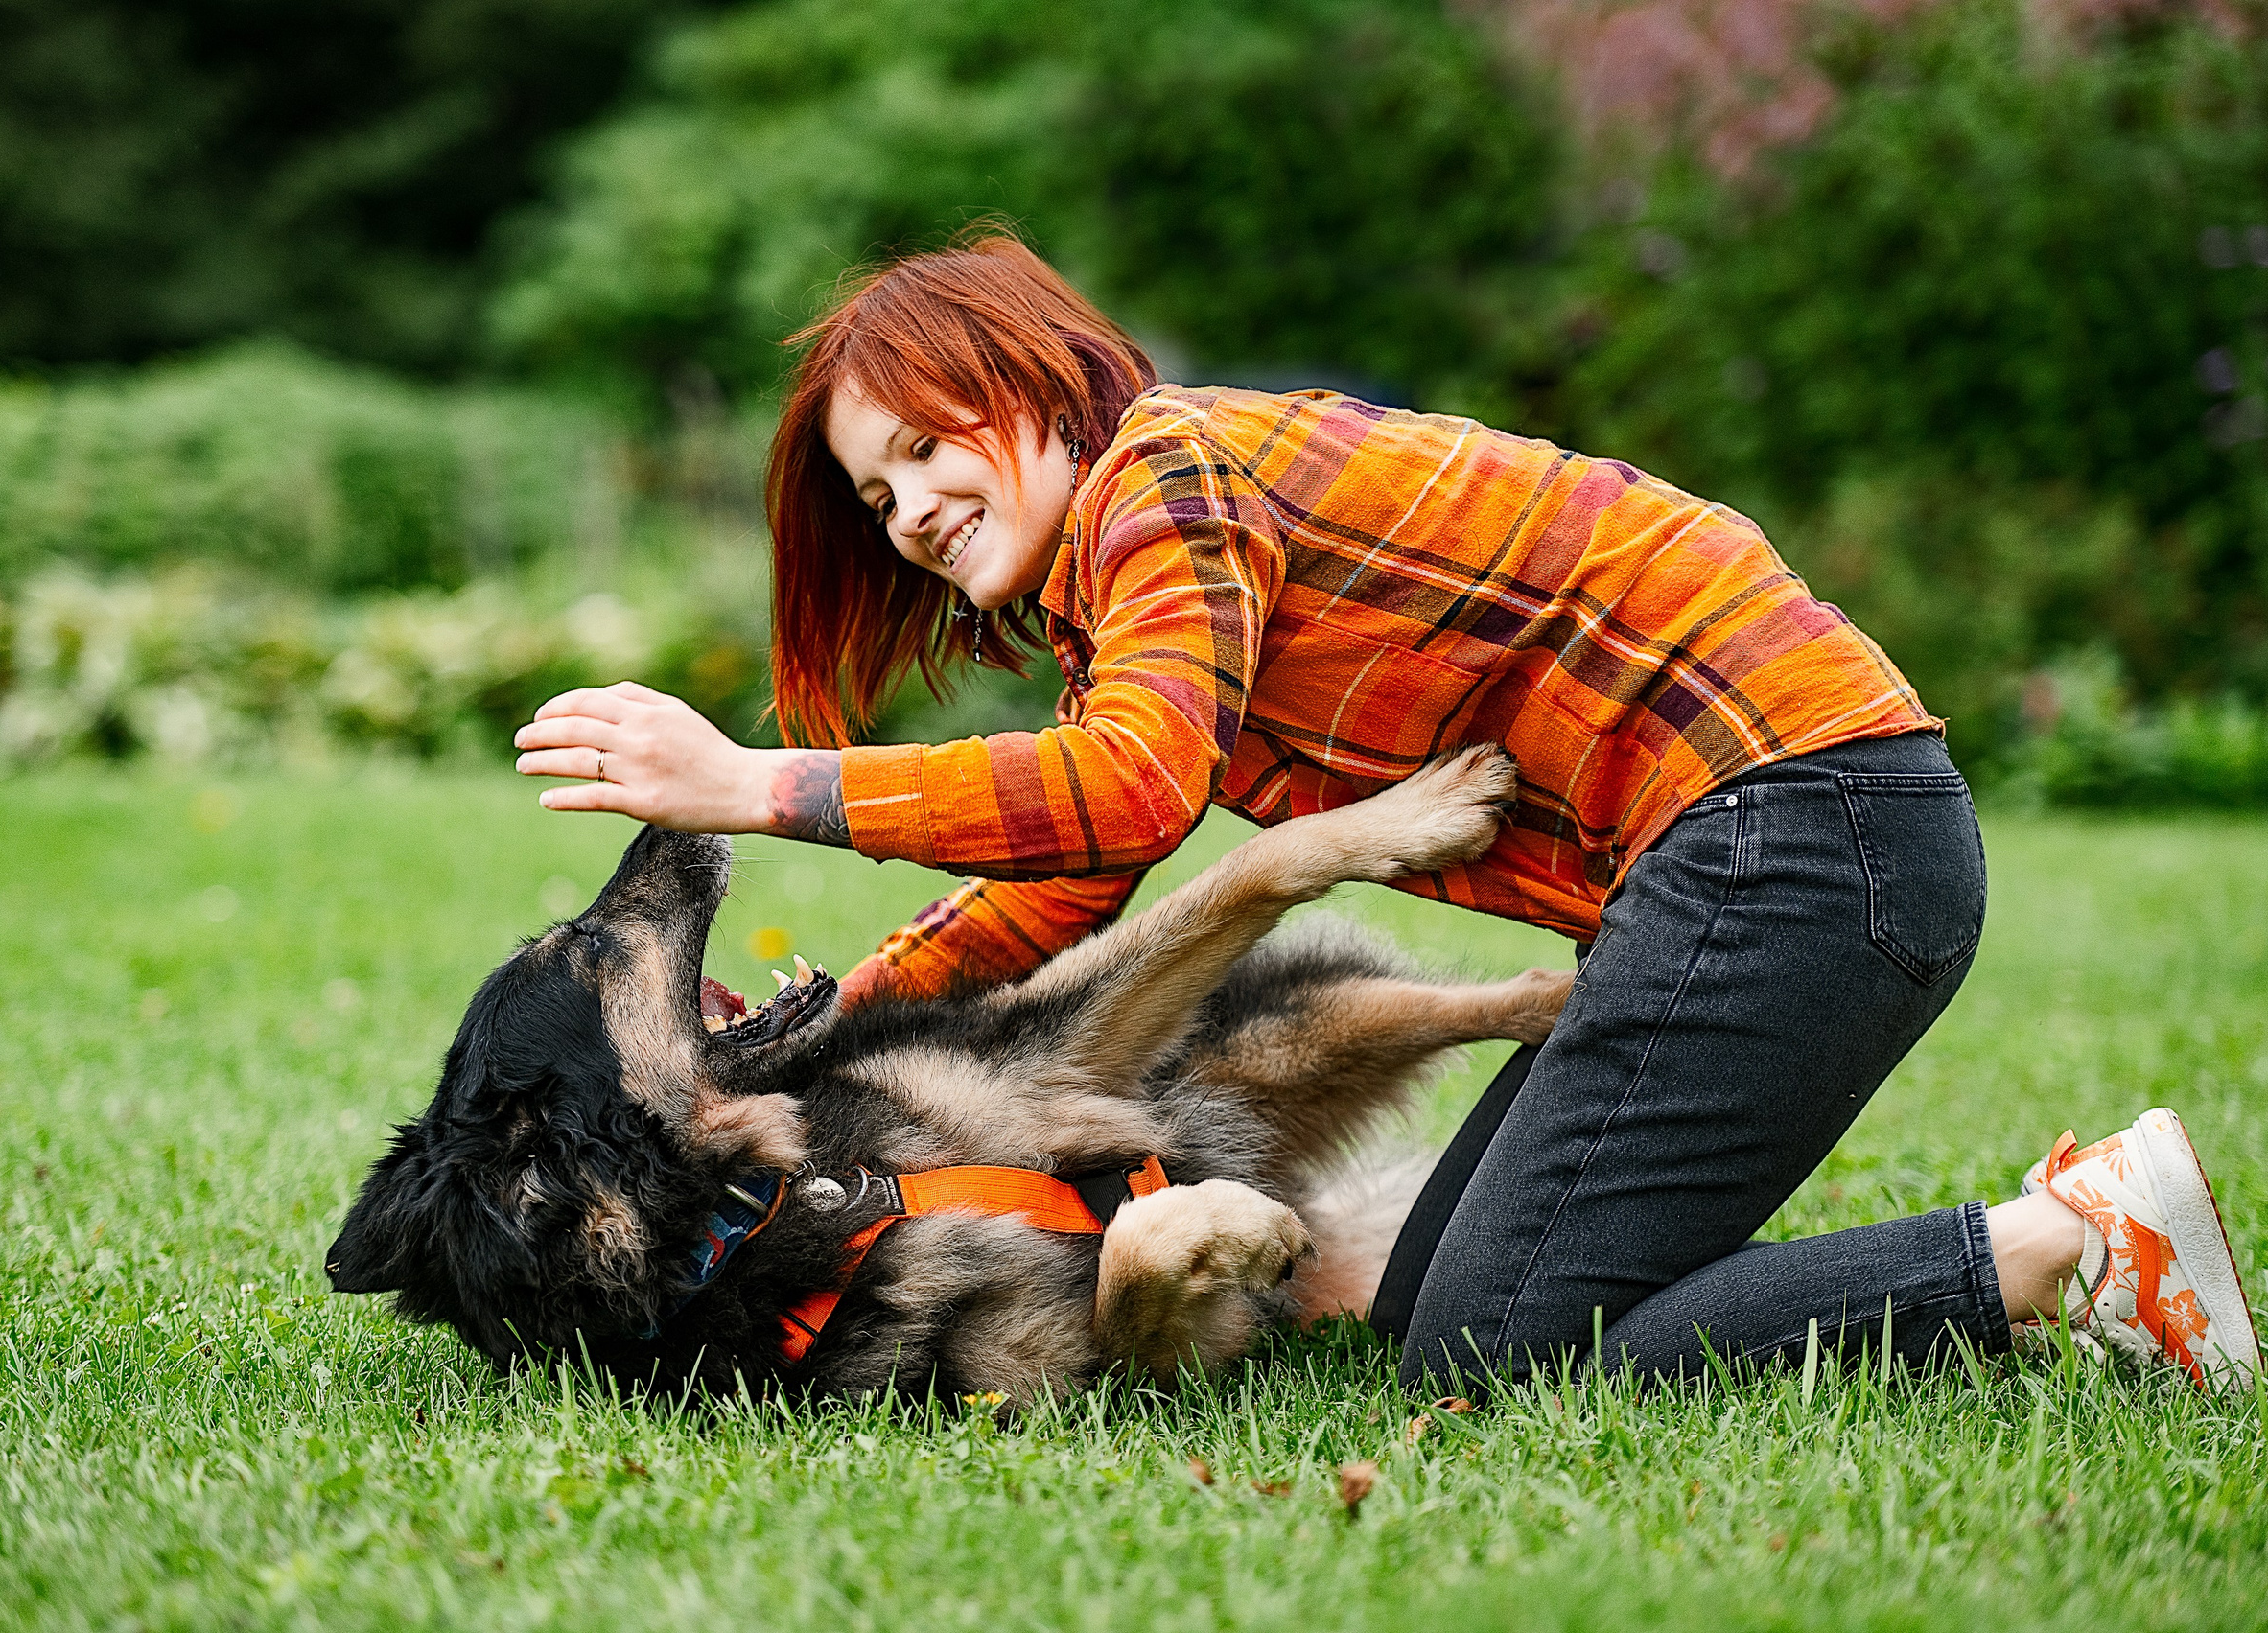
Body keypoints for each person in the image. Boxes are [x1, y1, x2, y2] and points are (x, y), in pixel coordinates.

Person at [511, 233, 2258, 1394]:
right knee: (1435, 1301)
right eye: (872, 491)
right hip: (1760, 858)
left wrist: (754, 790)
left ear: (1035, 373)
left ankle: (2064, 1249)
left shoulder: (1170, 478)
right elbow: (1067, 875)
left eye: (922, 445)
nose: (903, 511)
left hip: (1801, 837)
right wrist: (828, 1038)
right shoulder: (1133, 582)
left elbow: (1126, 786)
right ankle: (2052, 1240)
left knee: (1493, 1344)